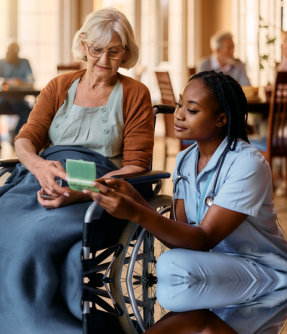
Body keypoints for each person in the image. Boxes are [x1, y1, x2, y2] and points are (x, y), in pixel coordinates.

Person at [0, 7, 154, 332]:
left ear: (126, 53)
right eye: (96, 50)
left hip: (98, 181)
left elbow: (136, 166)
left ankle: (32, 321)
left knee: (31, 241)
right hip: (44, 172)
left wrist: (82, 191)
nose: (104, 60)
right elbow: (25, 140)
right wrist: (37, 167)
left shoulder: (135, 94)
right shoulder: (59, 86)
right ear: (83, 46)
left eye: (114, 52)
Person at [84, 70, 287, 312]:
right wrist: (134, 198)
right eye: (179, 104)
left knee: (173, 266)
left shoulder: (247, 164)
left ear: (221, 119)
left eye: (191, 110)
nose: (178, 115)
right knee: (174, 262)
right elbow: (179, 237)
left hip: (260, 269)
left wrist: (136, 213)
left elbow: (204, 237)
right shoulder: (185, 159)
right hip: (210, 265)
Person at [0, 42, 34, 153]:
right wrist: (2, 82)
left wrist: (19, 82)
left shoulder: (24, 62)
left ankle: (15, 133)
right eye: (9, 52)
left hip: (19, 100)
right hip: (2, 100)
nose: (11, 55)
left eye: (14, 52)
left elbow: (31, 80)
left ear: (18, 53)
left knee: (30, 112)